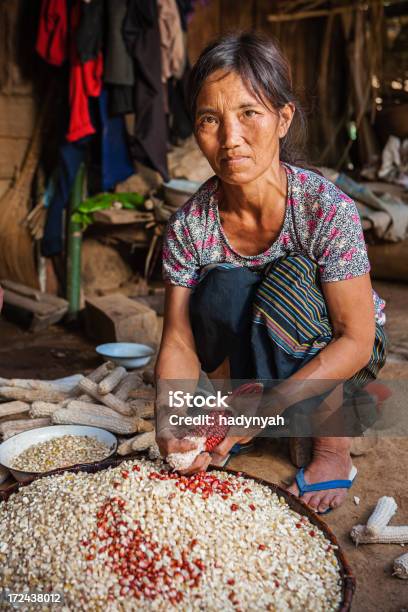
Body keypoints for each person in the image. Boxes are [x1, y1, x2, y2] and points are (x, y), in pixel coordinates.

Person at [154, 32, 387, 514]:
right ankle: (236, 409)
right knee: (217, 287)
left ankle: (332, 447)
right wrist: (169, 419)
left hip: (342, 347)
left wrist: (267, 409)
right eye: (210, 119)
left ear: (283, 119)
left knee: (291, 278)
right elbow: (177, 340)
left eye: (249, 114)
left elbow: (356, 339)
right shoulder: (189, 226)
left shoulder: (325, 209)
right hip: (261, 345)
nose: (230, 138)